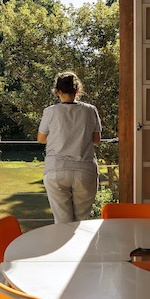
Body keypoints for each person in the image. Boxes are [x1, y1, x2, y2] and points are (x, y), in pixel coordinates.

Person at [37, 72, 101, 224]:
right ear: (77, 90)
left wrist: (58, 138)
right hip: (84, 170)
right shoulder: (90, 110)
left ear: (58, 91)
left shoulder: (50, 111)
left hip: (56, 170)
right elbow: (96, 140)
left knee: (62, 222)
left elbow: (41, 139)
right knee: (81, 221)